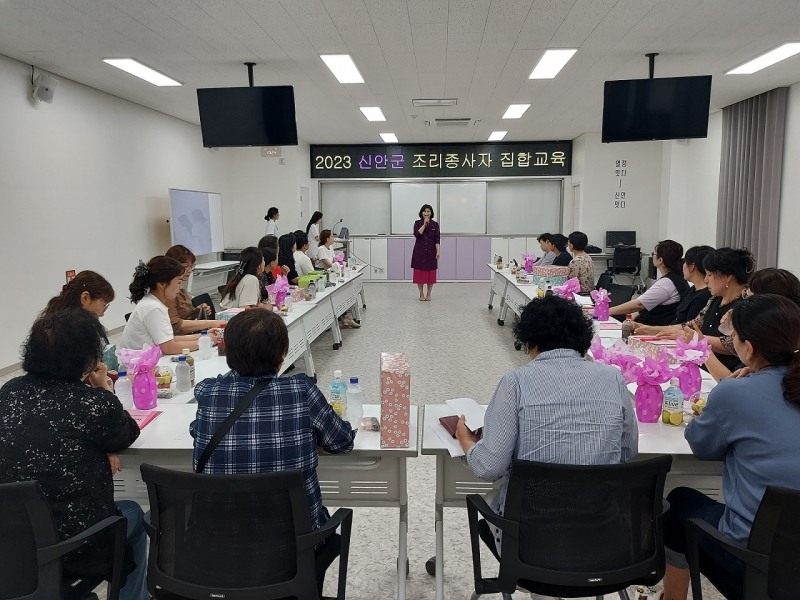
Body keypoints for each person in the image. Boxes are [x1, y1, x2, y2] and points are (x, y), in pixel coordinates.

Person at [455, 295, 638, 555]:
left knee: (492, 500)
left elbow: (489, 467)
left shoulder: (516, 382)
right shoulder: (613, 378)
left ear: (531, 340)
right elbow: (627, 452)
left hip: (530, 544)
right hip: (601, 538)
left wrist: (466, 440)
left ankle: (530, 576)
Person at [190, 310, 356, 595]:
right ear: (282, 355)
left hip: (219, 547)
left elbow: (197, 433)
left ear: (228, 353)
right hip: (294, 549)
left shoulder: (209, 392)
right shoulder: (301, 391)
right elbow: (342, 442)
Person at [0, 309, 147, 600]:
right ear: (88, 359)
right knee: (134, 513)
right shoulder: (92, 404)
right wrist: (103, 388)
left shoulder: (9, 392)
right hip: (75, 548)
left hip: (12, 547)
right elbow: (126, 433)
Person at [661, 294, 800, 600]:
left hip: (758, 565)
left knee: (679, 502)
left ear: (748, 348)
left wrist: (734, 389)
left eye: (733, 337)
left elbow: (701, 446)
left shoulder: (735, 393)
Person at [657, 248, 754, 373]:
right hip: (704, 366)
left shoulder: (745, 305)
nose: (706, 280)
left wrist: (696, 338)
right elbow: (694, 324)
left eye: (709, 275)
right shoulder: (715, 298)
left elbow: (731, 344)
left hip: (727, 371)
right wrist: (650, 329)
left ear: (726, 278)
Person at [695, 267, 800, 381]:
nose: (744, 302)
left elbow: (729, 383)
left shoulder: (767, 339)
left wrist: (703, 346)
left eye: (750, 299)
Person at [120, 256, 213, 354]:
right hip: (140, 362)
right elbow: (169, 347)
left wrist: (205, 336)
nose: (180, 287)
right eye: (179, 282)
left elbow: (169, 339)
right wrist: (208, 341)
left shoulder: (152, 302)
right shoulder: (153, 308)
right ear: (162, 284)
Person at [634, 245, 714, 335]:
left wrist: (649, 329)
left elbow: (689, 328)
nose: (682, 265)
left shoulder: (704, 297)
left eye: (685, 262)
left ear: (692, 267)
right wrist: (647, 328)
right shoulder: (692, 289)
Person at [608, 240, 688, 325]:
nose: (652, 256)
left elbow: (639, 304)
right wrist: (637, 314)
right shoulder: (677, 278)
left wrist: (607, 311)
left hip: (651, 327)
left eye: (654, 254)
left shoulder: (666, 283)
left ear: (660, 260)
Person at [164, 244, 224, 334]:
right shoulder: (168, 292)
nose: (189, 270)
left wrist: (198, 310)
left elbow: (185, 316)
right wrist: (210, 323)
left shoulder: (180, 288)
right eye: (185, 266)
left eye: (191, 266)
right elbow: (176, 325)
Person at [40, 270, 115, 318]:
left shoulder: (55, 319)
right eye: (104, 305)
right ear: (85, 298)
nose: (102, 314)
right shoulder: (75, 331)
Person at [411, 203, 440, 301]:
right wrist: (424, 224)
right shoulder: (417, 223)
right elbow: (417, 234)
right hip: (419, 251)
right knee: (419, 274)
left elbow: (437, 239)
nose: (426, 213)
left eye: (428, 211)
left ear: (431, 213)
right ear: (421, 213)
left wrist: (438, 251)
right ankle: (421, 294)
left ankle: (428, 294)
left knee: (430, 274)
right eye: (424, 211)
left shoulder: (435, 225)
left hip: (431, 251)